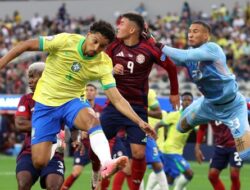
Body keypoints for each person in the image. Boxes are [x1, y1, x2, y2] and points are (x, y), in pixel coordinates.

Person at [0, 20, 156, 179]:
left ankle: (107, 163)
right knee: (40, 162)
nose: (96, 48)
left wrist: (139, 121)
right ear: (88, 36)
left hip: (71, 102)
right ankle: (58, 140)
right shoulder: (65, 41)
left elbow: (117, 99)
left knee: (93, 120)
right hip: (45, 104)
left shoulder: (103, 63)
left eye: (102, 46)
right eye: (94, 41)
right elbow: (25, 45)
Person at [100, 12, 179, 190]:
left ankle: (135, 187)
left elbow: (171, 66)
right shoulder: (113, 46)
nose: (118, 26)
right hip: (114, 104)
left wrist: (174, 93)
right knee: (98, 144)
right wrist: (111, 70)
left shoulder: (149, 49)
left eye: (122, 24)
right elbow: (99, 66)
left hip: (137, 107)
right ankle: (98, 184)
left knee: (139, 152)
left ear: (132, 29)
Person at [159, 20, 250, 160]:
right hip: (208, 105)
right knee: (180, 127)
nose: (190, 34)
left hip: (232, 107)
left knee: (245, 154)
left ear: (206, 36)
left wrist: (158, 45)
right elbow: (170, 59)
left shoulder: (212, 48)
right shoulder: (189, 55)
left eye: (195, 31)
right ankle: (201, 104)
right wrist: (149, 47)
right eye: (189, 31)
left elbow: (183, 56)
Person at [15, 62, 65, 190]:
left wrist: (76, 137)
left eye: (33, 77)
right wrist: (49, 125)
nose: (30, 81)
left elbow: (73, 123)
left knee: (53, 187)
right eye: (29, 77)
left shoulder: (60, 99)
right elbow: (20, 124)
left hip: (54, 153)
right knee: (23, 184)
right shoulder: (26, 99)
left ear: (45, 78)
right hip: (29, 151)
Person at [148, 92, 194, 190]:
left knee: (169, 179)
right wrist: (154, 135)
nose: (186, 102)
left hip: (177, 151)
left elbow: (200, 129)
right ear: (181, 102)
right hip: (170, 151)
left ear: (192, 102)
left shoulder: (193, 117)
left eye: (189, 100)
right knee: (189, 173)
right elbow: (159, 124)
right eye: (184, 100)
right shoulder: (175, 115)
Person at [61, 83, 103, 190]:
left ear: (96, 93)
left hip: (97, 147)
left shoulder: (101, 110)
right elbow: (72, 124)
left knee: (97, 177)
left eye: (91, 90)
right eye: (87, 90)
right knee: (76, 172)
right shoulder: (78, 108)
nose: (89, 92)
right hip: (84, 146)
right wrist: (80, 132)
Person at [195, 121, 243, 190]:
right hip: (220, 146)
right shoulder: (207, 111)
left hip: (237, 143)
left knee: (234, 175)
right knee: (212, 175)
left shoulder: (233, 109)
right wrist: (197, 147)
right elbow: (202, 127)